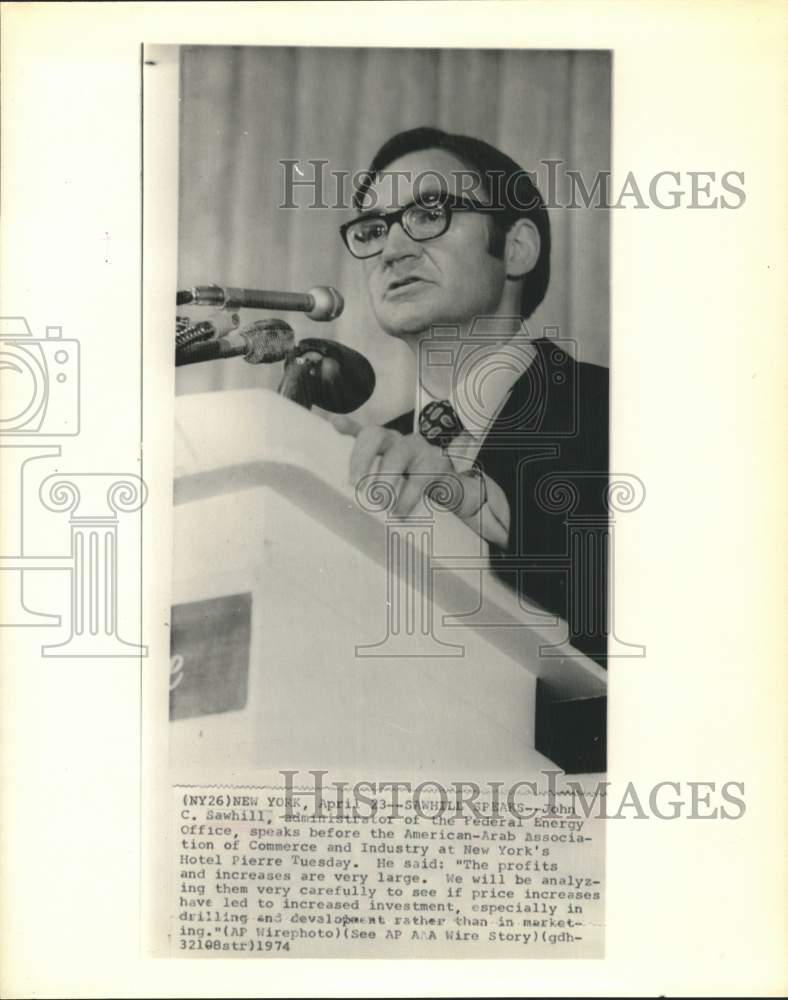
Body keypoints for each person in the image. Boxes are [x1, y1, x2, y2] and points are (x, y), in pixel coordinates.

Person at [332, 126, 608, 667]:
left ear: (516, 247)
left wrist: (471, 499)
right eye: (372, 229)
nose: (391, 249)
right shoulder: (378, 452)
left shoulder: (622, 409)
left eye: (430, 213)